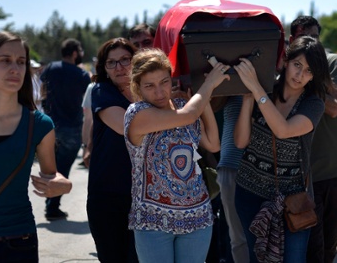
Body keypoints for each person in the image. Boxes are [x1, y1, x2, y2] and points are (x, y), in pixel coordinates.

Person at [124, 48, 229, 263]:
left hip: (197, 218)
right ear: (137, 88)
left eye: (164, 82)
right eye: (149, 86)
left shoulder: (183, 105)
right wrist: (208, 86)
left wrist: (202, 98)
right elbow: (188, 115)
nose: (160, 92)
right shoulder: (137, 113)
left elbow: (213, 143)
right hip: (153, 222)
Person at [234, 36, 330, 263]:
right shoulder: (263, 90)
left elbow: (284, 130)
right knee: (257, 258)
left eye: (308, 71)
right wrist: (248, 99)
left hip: (293, 200)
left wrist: (256, 90)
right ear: (286, 62)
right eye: (297, 65)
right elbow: (240, 142)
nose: (300, 75)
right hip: (249, 193)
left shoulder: (313, 103)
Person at [0, 31, 72, 262]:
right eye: (5, 60)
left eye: (21, 62)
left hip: (18, 243)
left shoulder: (40, 125)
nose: (15, 69)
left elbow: (52, 176)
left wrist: (64, 185)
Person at [289, 16, 337, 263]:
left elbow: (333, 108)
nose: (311, 43)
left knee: (330, 246)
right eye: (304, 37)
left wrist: (311, 75)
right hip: (307, 175)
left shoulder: (332, 63)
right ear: (292, 41)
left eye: (315, 38)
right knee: (314, 248)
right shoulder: (289, 70)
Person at [86, 38, 139, 262]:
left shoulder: (150, 92)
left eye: (125, 60)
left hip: (144, 196)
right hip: (107, 195)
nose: (119, 67)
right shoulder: (101, 91)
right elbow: (125, 126)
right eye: (111, 62)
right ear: (104, 69)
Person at [40, 38, 91, 220]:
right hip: (72, 127)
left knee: (49, 167)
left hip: (49, 125)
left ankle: (50, 204)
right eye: (81, 51)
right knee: (62, 169)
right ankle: (52, 207)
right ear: (75, 53)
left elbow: (41, 89)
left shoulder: (50, 68)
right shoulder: (81, 74)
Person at [216, 95, 250, 263]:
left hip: (267, 169)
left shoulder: (280, 79)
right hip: (232, 165)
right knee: (238, 239)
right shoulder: (230, 73)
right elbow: (213, 104)